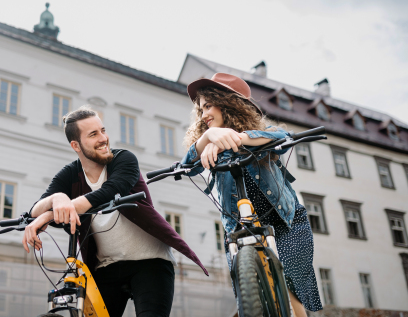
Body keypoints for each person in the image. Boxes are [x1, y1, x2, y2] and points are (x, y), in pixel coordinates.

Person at [22, 106, 208, 317]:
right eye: (93, 134)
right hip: (107, 266)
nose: (103, 138)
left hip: (151, 261)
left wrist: (49, 214)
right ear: (76, 145)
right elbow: (35, 210)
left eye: (103, 130)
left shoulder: (124, 159)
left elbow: (110, 191)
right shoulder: (70, 174)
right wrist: (57, 198)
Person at [181, 73, 323, 316]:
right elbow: (189, 165)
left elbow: (282, 137)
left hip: (284, 223)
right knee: (249, 298)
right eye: (201, 108)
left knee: (290, 289)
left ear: (228, 103)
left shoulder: (261, 133)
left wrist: (237, 139)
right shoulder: (208, 143)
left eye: (209, 105)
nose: (203, 114)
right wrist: (208, 138)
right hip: (240, 228)